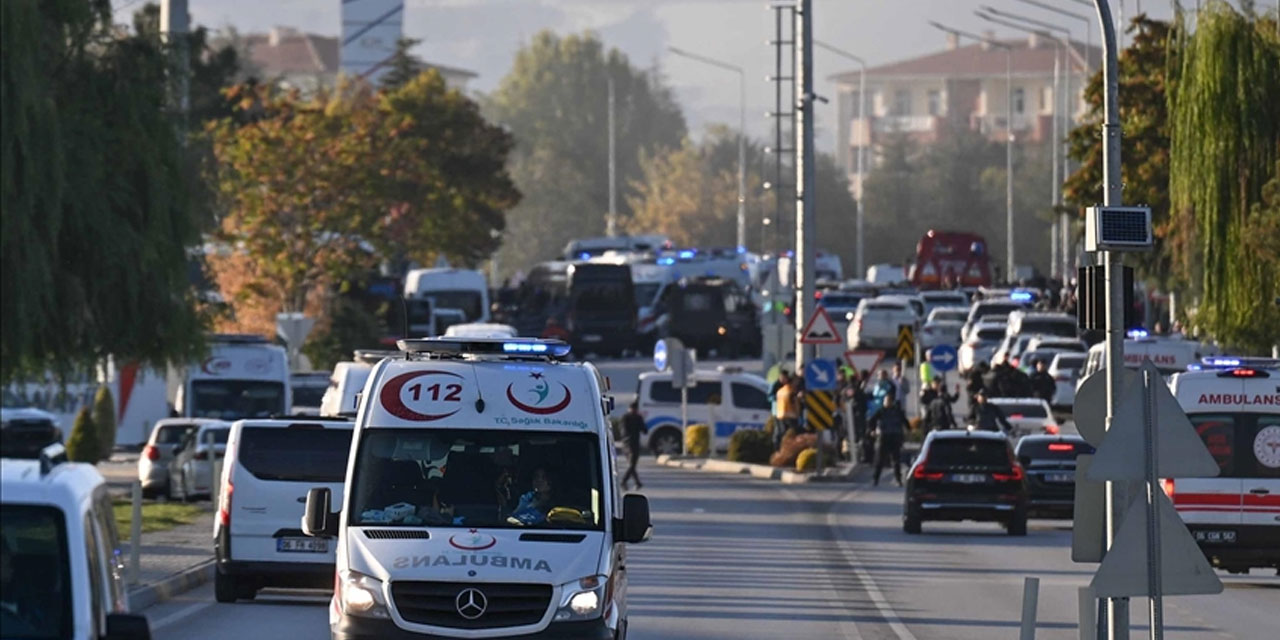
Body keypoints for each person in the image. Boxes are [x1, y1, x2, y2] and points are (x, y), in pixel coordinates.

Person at [868, 393, 908, 486]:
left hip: (895, 437)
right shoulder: (881, 411)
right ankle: (875, 479)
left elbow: (905, 422)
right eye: (886, 401)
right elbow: (871, 421)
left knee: (896, 461)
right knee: (880, 460)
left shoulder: (897, 411)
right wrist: (872, 431)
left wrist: (907, 431)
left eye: (889, 401)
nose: (887, 403)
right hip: (884, 437)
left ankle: (898, 479)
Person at [621, 401, 647, 490]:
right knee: (632, 465)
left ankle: (637, 483)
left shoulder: (638, 418)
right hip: (628, 445)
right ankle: (624, 482)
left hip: (634, 444)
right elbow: (624, 431)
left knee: (632, 465)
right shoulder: (626, 418)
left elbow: (644, 430)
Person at [775, 376, 800, 448]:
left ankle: (779, 449)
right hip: (791, 416)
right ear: (792, 382)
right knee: (792, 435)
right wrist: (798, 414)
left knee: (782, 434)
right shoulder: (791, 391)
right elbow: (794, 404)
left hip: (780, 415)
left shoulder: (780, 391)